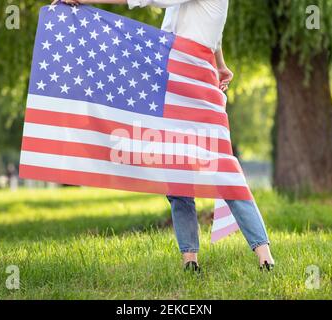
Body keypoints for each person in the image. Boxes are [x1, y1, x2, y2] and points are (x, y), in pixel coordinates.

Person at [53, 0, 275, 272]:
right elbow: (210, 33)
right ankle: (190, 260)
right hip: (173, 79)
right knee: (179, 173)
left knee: (223, 169)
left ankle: (264, 255)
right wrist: (221, 64)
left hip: (193, 80)